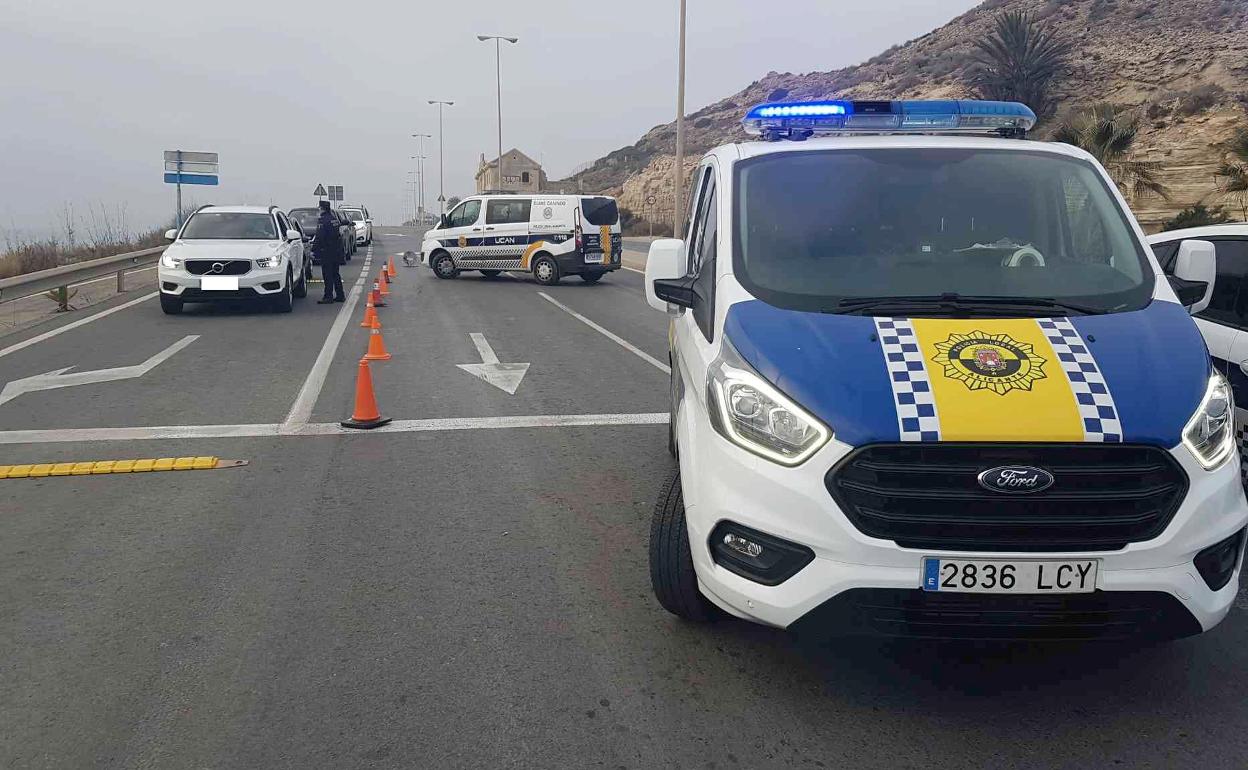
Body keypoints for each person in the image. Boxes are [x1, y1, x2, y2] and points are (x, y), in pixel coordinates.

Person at [314, 200, 345, 303]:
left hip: (326, 251)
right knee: (335, 274)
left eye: (319, 208)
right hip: (336, 251)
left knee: (327, 275)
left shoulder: (323, 221)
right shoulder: (334, 219)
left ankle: (328, 297)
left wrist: (314, 250)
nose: (318, 209)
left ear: (322, 208)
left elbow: (320, 237)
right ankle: (340, 295)